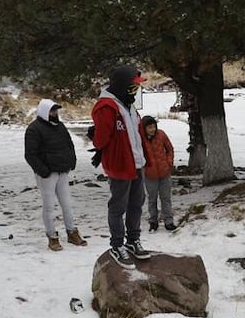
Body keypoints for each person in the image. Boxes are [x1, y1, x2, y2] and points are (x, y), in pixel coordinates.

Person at [91, 65, 154, 269]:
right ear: (122, 85)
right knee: (118, 206)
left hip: (136, 163)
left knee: (137, 202)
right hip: (120, 165)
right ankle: (117, 245)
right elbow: (101, 140)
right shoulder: (107, 107)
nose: (135, 89)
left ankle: (133, 240)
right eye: (133, 85)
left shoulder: (128, 104)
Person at [24, 99, 87, 251]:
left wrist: (72, 161)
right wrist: (43, 171)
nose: (54, 114)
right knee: (49, 207)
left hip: (63, 171)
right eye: (52, 111)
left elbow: (69, 144)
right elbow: (30, 154)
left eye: (56, 111)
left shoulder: (60, 126)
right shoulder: (34, 129)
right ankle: (52, 236)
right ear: (45, 112)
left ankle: (72, 232)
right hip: (47, 175)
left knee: (67, 205)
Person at [141, 115, 176, 231]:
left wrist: (169, 162)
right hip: (150, 175)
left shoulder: (161, 135)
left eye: (153, 126)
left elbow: (170, 149)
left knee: (166, 198)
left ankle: (169, 221)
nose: (152, 129)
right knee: (152, 199)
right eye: (149, 127)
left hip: (164, 172)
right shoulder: (140, 139)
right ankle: (153, 221)